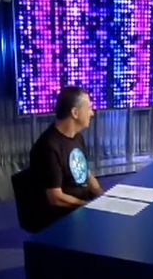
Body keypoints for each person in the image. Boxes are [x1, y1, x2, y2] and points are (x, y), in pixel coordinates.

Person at [25, 86, 104, 231]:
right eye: (89, 108)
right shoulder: (48, 147)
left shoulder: (77, 137)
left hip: (81, 208)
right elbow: (56, 197)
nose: (92, 113)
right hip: (62, 218)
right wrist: (87, 206)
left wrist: (102, 196)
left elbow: (85, 173)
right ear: (75, 113)